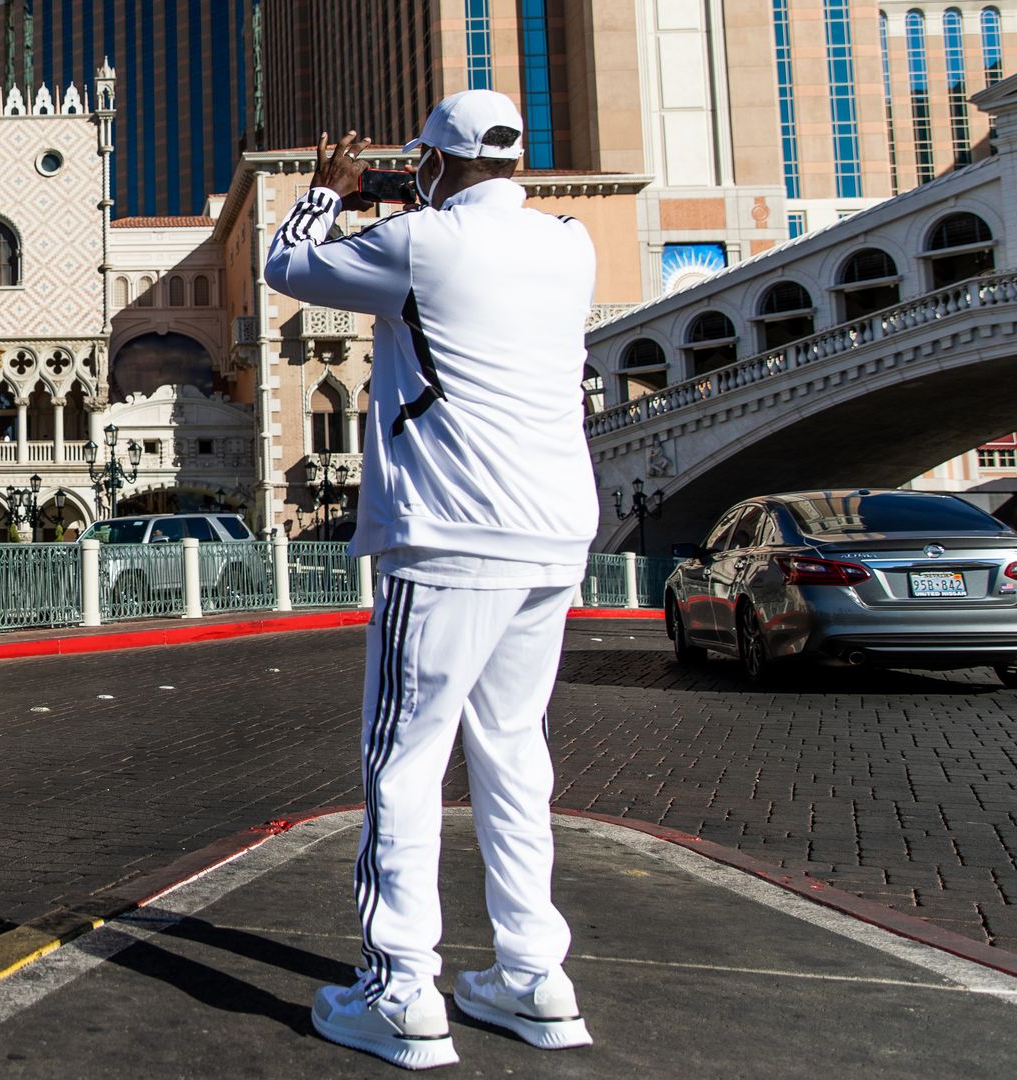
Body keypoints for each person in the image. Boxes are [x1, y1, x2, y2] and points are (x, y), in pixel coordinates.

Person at [265, 89, 599, 1070]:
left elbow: (290, 266)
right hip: (553, 535)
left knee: (404, 762)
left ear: (433, 163)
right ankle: (535, 975)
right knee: (511, 752)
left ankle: (402, 990)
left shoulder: (423, 241)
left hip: (450, 536)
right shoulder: (570, 244)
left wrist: (325, 192)